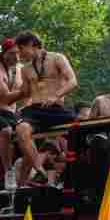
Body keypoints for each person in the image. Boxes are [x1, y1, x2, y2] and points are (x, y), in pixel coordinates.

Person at [13, 33, 78, 186]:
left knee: (81, 128)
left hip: (55, 108)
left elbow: (73, 81)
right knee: (21, 129)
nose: (19, 54)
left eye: (21, 49)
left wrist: (56, 95)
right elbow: (25, 93)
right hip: (34, 109)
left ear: (31, 45)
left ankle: (76, 172)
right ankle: (40, 171)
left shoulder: (57, 58)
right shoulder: (24, 69)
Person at [0, 38, 32, 190]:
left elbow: (28, 97)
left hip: (14, 115)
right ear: (4, 54)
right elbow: (4, 97)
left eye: (18, 53)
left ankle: (25, 179)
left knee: (29, 136)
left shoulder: (22, 69)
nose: (16, 57)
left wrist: (26, 109)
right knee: (6, 131)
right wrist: (25, 91)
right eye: (12, 53)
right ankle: (8, 171)